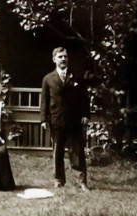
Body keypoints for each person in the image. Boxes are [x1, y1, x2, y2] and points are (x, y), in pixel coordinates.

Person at [41, 47, 90, 191]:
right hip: (56, 121)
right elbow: (44, 101)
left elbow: (84, 98)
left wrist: (85, 114)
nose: (63, 59)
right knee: (58, 152)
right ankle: (58, 180)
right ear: (54, 59)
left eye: (65, 57)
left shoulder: (76, 77)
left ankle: (82, 181)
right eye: (60, 57)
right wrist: (44, 119)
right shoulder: (48, 79)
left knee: (77, 152)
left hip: (74, 121)